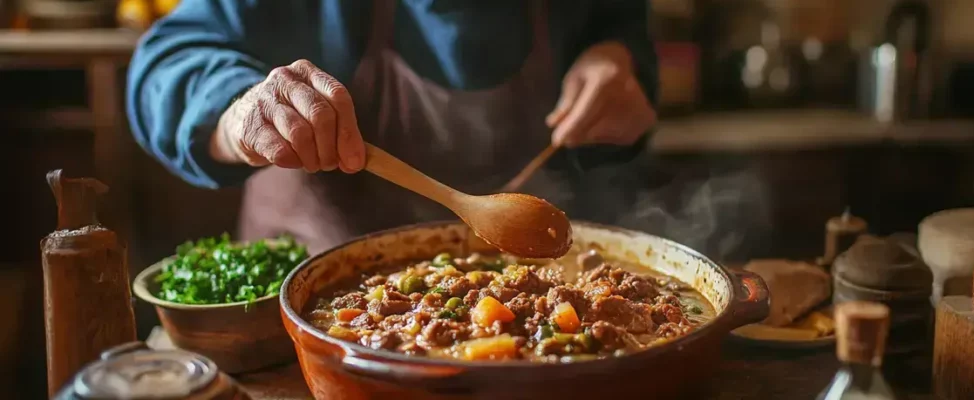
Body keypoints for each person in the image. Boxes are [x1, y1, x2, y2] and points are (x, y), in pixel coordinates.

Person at [127, 0, 659, 253]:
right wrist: (238, 109)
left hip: (543, 276)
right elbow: (165, 60)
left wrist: (617, 61)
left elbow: (619, 25)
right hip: (303, 314)